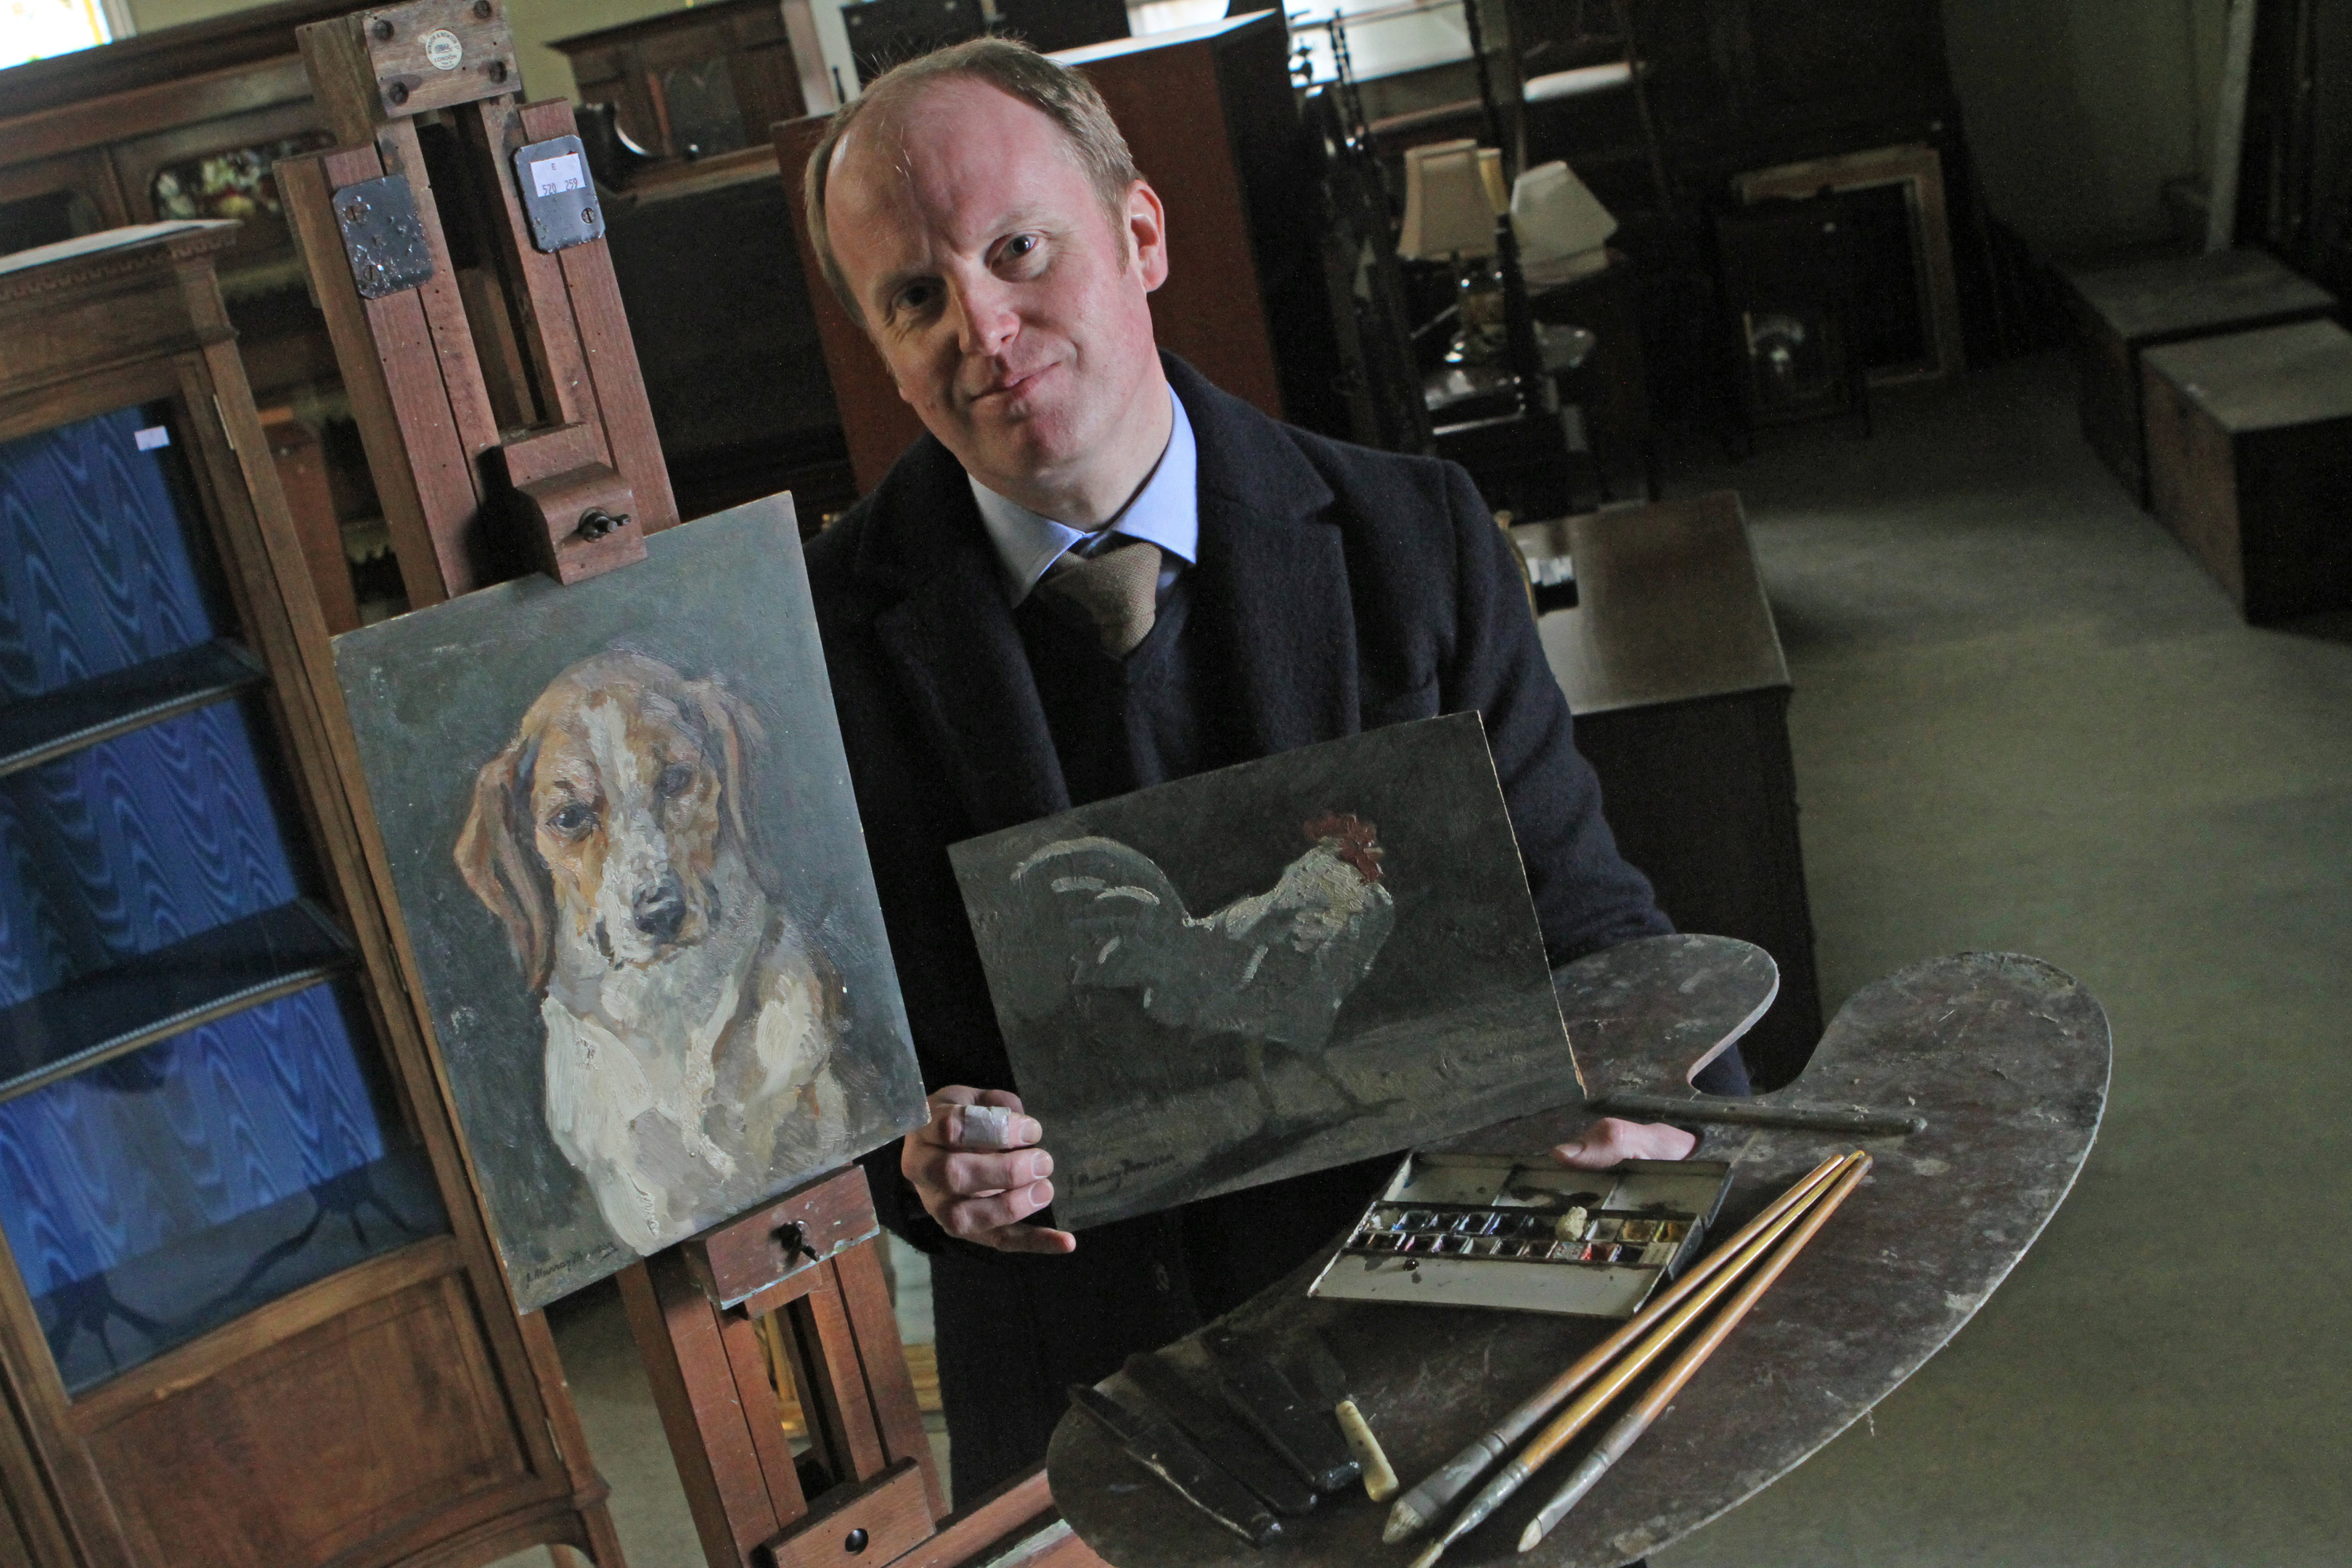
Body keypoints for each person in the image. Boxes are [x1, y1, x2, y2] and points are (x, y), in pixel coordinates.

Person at [797, 38, 1746, 1499]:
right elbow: (834, 1083)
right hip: (1092, 1399)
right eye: (917, 296)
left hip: (1437, 1339)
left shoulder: (1411, 539)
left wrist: (1659, 1100)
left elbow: (1588, 914)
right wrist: (924, 1168)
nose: (980, 326)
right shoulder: (814, 646)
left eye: (1018, 249)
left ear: (1141, 234)